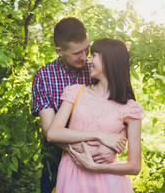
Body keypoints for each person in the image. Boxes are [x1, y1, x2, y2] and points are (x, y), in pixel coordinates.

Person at [31, 18, 122, 193]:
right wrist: (83, 151)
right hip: (57, 159)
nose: (85, 57)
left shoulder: (96, 69)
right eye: (77, 53)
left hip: (101, 155)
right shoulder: (44, 76)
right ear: (59, 51)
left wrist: (111, 148)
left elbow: (124, 113)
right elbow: (50, 130)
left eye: (87, 49)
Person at [46, 38, 144, 193]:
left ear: (108, 61)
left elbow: (134, 166)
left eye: (94, 56)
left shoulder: (131, 108)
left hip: (109, 181)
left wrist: (95, 166)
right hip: (72, 175)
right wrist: (100, 136)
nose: (88, 61)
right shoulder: (75, 92)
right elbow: (53, 133)